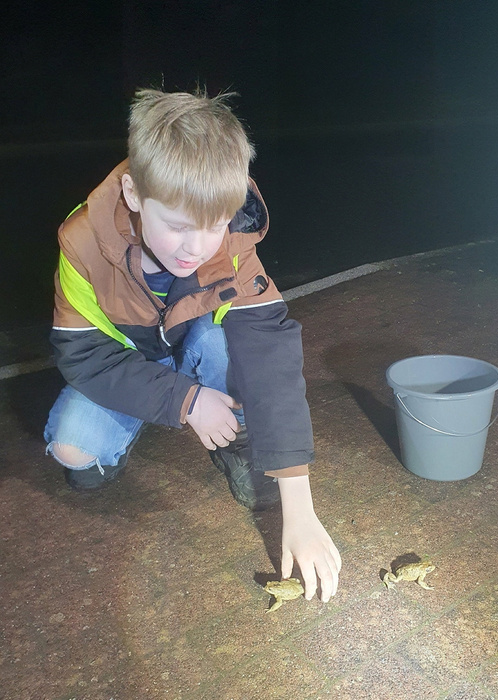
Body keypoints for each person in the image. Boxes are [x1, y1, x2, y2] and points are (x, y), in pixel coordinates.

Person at [44, 88, 341, 603]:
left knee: (232, 343)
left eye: (216, 225)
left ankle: (235, 438)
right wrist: (185, 401)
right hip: (126, 360)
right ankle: (157, 411)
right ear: (135, 195)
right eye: (178, 227)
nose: (198, 248)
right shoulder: (82, 243)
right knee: (73, 452)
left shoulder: (231, 243)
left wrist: (300, 505)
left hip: (197, 342)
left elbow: (271, 360)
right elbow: (85, 356)